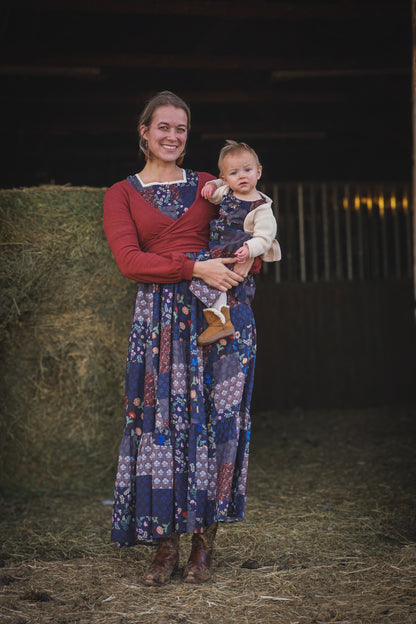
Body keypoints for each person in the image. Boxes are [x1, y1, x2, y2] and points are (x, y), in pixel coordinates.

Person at [103, 91, 258, 587]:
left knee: (218, 423)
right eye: (163, 127)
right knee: (161, 423)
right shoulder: (121, 194)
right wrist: (194, 265)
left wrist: (247, 254)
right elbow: (130, 261)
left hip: (220, 317)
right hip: (161, 320)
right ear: (144, 132)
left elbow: (251, 218)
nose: (172, 136)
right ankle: (164, 546)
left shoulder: (211, 185)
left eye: (181, 129)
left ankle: (203, 548)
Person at [190, 140, 281, 346]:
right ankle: (220, 320)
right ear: (225, 179)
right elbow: (213, 195)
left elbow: (265, 237)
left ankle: (221, 322)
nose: (241, 176)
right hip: (218, 251)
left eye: (247, 170)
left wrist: (250, 249)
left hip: (237, 252)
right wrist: (212, 185)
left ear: (258, 172)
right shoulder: (227, 192)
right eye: (234, 173)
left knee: (225, 285)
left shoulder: (261, 207)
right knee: (212, 283)